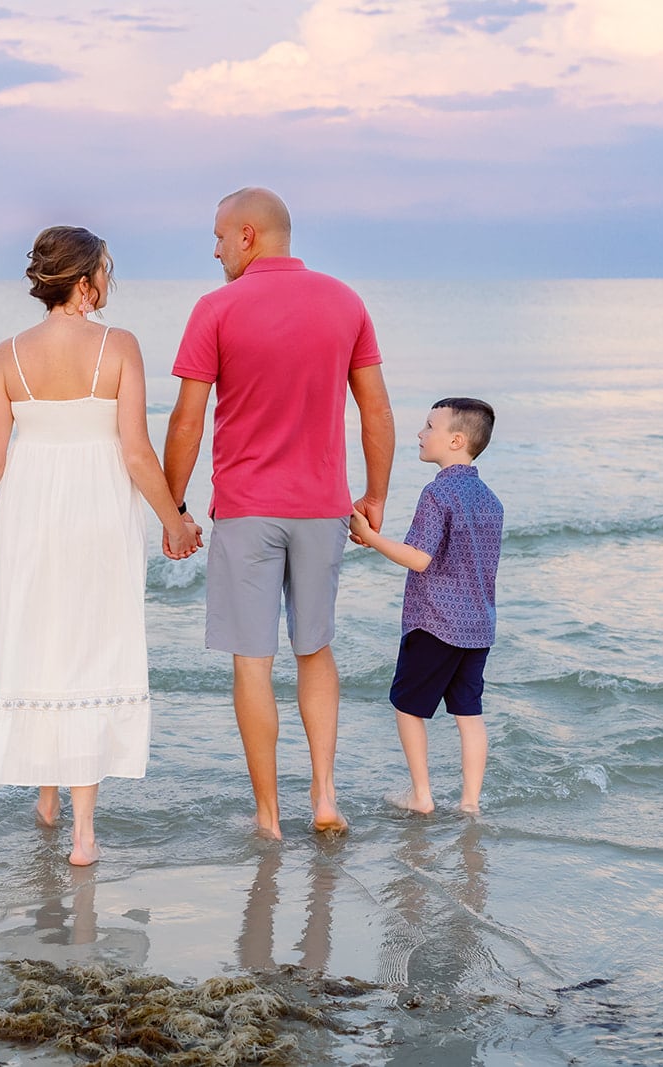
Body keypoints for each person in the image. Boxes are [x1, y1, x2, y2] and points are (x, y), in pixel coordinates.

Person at [0, 226, 200, 866]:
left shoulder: (6, 354)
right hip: (97, 510)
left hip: (30, 514)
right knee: (94, 646)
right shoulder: (118, 345)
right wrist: (174, 519)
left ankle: (46, 798)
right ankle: (85, 833)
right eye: (106, 271)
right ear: (88, 277)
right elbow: (136, 450)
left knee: (41, 641)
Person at [162, 187, 396, 839]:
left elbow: (188, 418)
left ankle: (269, 817)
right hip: (322, 507)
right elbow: (375, 409)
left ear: (247, 235)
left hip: (246, 509)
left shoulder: (215, 309)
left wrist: (173, 504)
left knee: (252, 660)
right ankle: (324, 794)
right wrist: (375, 492)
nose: (212, 250)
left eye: (217, 237)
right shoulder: (345, 302)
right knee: (315, 649)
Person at [349, 398, 502, 815]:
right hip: (478, 626)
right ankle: (470, 803)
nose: (420, 433)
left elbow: (420, 557)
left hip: (434, 621)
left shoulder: (437, 492)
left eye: (429, 426)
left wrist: (369, 536)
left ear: (455, 440)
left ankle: (422, 796)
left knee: (407, 705)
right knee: (469, 713)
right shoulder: (491, 499)